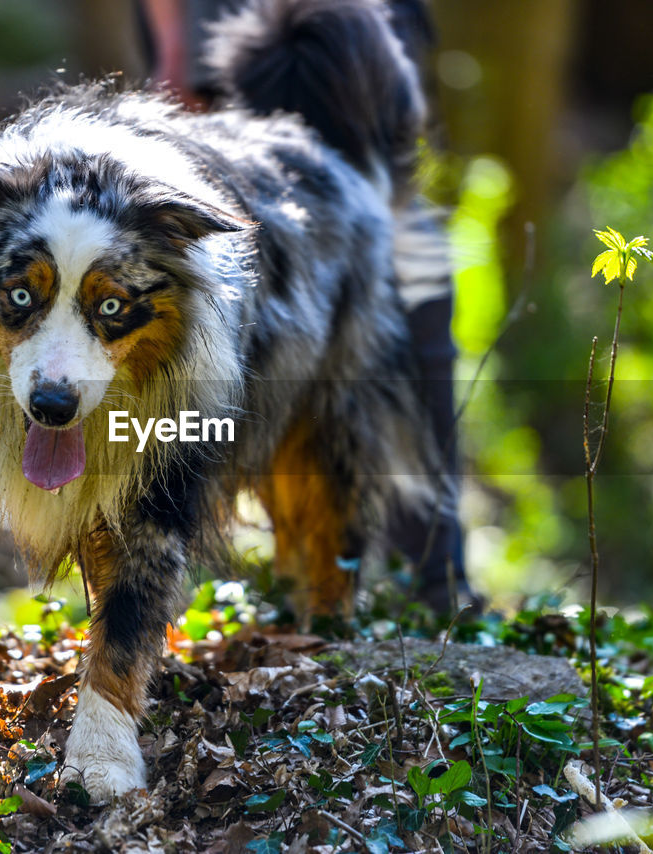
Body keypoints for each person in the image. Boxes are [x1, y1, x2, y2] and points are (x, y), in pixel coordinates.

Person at [139, 0, 473, 615]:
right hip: (242, 79)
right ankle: (358, 584)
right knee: (273, 342)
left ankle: (426, 586)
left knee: (408, 313)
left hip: (356, 58)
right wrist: (176, 50)